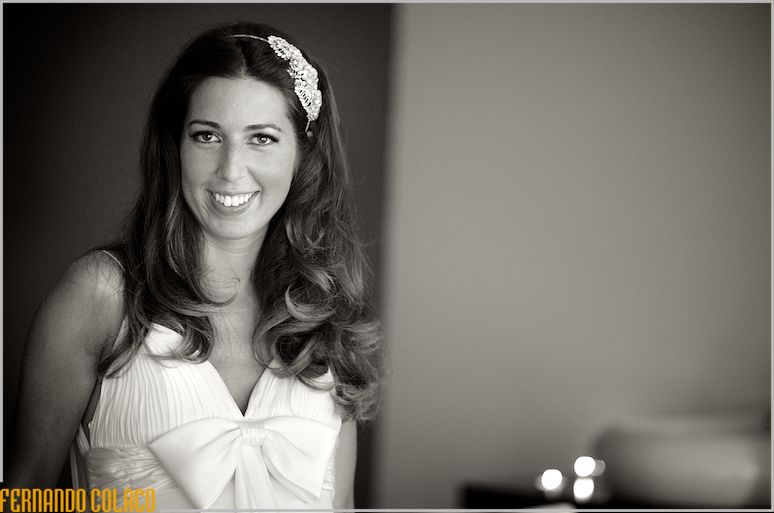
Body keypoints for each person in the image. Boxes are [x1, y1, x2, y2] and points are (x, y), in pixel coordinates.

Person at [7, 21, 382, 510]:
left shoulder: (323, 321)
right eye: (207, 135)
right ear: (176, 147)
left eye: (262, 138)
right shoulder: (102, 294)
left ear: (302, 155)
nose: (230, 168)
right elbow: (21, 495)